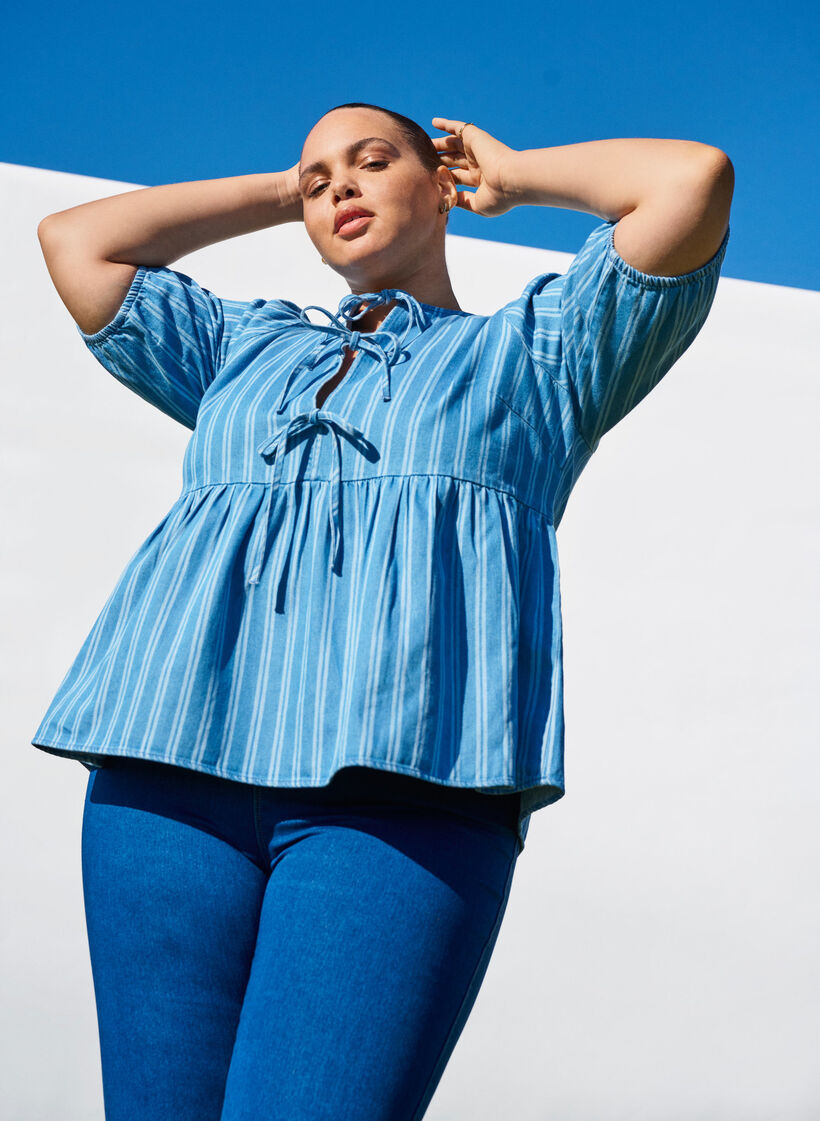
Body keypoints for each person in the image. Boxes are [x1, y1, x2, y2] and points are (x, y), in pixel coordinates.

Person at [30, 103, 733, 1120]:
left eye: (370, 162)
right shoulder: (243, 348)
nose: (340, 188)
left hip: (404, 794)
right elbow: (77, 242)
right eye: (320, 180)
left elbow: (690, 180)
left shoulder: (538, 357)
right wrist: (286, 191)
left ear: (441, 182)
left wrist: (513, 176)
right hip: (163, 776)